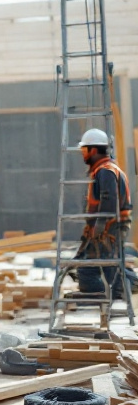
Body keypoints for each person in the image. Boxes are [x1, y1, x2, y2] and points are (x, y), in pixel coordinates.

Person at [72, 128, 133, 298]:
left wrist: (99, 224)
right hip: (108, 226)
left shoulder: (105, 171)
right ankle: (117, 292)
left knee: (103, 267)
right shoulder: (104, 169)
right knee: (94, 267)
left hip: (109, 226)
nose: (83, 154)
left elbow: (109, 200)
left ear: (93, 150)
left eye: (84, 150)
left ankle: (120, 293)